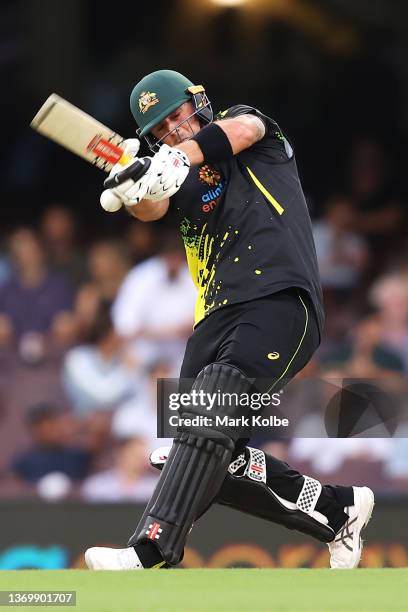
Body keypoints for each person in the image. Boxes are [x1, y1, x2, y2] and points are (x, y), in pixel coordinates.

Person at [85, 69, 374, 571]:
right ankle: (339, 509)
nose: (172, 131)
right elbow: (154, 209)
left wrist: (173, 157)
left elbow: (243, 133)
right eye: (160, 130)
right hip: (213, 320)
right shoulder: (177, 173)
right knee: (209, 454)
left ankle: (151, 548)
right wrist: (135, 186)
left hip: (281, 302)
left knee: (209, 413)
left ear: (197, 103)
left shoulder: (248, 128)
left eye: (176, 116)